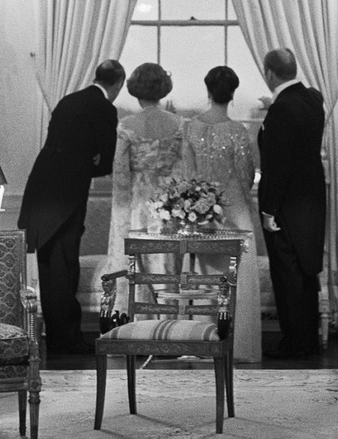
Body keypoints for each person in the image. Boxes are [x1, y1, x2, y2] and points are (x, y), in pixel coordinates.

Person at [18, 59, 125, 354]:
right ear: (118, 84)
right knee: (65, 266)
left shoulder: (68, 101)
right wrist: (90, 163)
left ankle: (59, 338)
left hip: (41, 188)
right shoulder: (104, 108)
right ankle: (66, 340)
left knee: (50, 264)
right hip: (66, 194)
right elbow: (106, 159)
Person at [183, 66, 262, 364]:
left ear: (208, 90)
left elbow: (187, 176)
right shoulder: (238, 131)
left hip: (201, 214)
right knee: (236, 278)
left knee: (203, 278)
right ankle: (238, 346)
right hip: (235, 210)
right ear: (232, 95)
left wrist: (199, 205)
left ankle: (202, 340)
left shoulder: (190, 128)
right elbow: (245, 176)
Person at [97, 62, 183, 313]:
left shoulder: (126, 125)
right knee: (166, 268)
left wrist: (121, 217)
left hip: (137, 203)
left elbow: (121, 174)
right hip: (168, 206)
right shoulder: (178, 124)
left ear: (136, 89)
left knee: (134, 267)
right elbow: (185, 170)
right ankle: (170, 328)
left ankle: (136, 328)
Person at [258, 48, 326, 360]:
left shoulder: (281, 109)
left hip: (286, 203)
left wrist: (269, 209)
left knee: (287, 274)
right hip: (312, 199)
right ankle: (306, 340)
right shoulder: (313, 99)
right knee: (306, 269)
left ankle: (295, 342)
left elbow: (278, 165)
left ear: (270, 73)